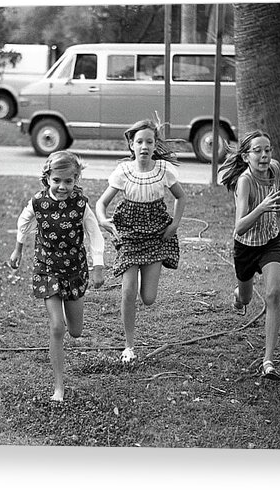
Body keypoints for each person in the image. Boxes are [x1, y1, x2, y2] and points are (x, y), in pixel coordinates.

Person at [9, 151, 105, 402]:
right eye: (57, 180)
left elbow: (94, 233)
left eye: (68, 181)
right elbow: (23, 220)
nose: (62, 186)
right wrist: (18, 248)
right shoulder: (38, 201)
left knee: (75, 331)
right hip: (47, 268)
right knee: (57, 327)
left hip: (73, 270)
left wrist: (98, 266)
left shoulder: (81, 204)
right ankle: (58, 387)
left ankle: (67, 319)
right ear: (47, 178)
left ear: (76, 180)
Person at [96, 119, 186, 364]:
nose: (144, 146)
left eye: (149, 141)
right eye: (139, 142)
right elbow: (101, 203)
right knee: (128, 291)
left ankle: (145, 285)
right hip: (129, 232)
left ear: (155, 145)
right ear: (131, 145)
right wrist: (104, 220)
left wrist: (174, 225)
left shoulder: (163, 170)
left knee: (148, 298)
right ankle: (129, 346)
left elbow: (180, 197)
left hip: (156, 232)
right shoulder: (124, 172)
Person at [218, 130, 280, 380]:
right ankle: (238, 296)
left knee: (273, 293)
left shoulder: (273, 167)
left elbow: (277, 175)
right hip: (246, 247)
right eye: (257, 151)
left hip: (270, 242)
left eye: (267, 149)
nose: (264, 155)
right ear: (246, 156)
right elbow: (239, 226)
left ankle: (268, 360)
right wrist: (261, 207)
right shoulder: (244, 182)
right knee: (247, 297)